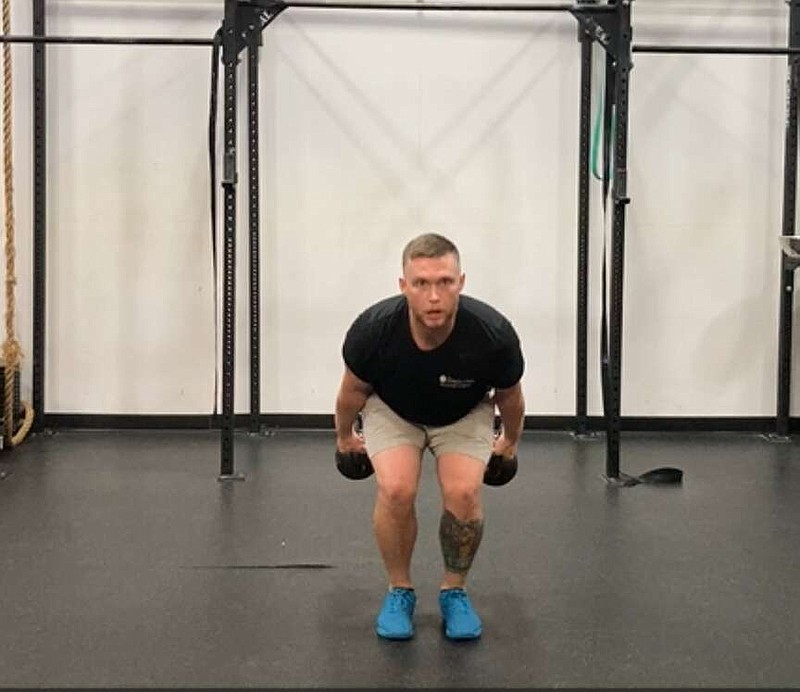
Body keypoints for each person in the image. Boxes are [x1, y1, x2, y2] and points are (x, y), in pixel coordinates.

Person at [334, 232, 525, 641]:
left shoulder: (492, 333)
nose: (434, 295)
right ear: (403, 286)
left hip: (464, 411)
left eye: (445, 282)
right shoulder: (375, 329)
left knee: (464, 494)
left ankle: (454, 591)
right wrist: (345, 437)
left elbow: (510, 397)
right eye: (421, 283)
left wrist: (509, 442)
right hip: (393, 409)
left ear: (461, 282)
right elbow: (352, 391)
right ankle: (399, 590)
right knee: (396, 489)